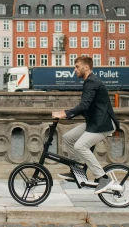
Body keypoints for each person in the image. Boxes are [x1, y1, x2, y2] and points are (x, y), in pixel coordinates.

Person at [52, 56, 123, 195]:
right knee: (68, 138)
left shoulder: (91, 81)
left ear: (86, 67)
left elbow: (84, 105)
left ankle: (103, 178)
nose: (75, 70)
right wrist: (65, 113)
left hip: (104, 124)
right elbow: (86, 106)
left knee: (80, 145)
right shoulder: (90, 81)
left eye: (77, 67)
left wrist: (65, 114)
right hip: (94, 123)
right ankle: (77, 171)